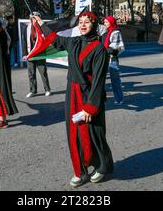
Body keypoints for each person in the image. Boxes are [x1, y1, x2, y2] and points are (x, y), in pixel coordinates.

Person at [32, 11, 114, 187]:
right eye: (81, 22)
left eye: (87, 22)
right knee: (74, 133)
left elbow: (99, 81)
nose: (83, 25)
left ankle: (101, 166)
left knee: (95, 134)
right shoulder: (74, 42)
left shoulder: (100, 49)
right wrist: (40, 23)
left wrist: (90, 108)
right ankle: (80, 171)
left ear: (95, 25)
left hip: (90, 97)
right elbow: (55, 39)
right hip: (72, 94)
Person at [23, 15, 51, 98]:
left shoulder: (41, 28)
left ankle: (47, 89)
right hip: (30, 53)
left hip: (40, 54)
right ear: (30, 19)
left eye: (35, 18)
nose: (33, 20)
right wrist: (24, 53)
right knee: (31, 73)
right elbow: (24, 41)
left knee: (43, 72)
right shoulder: (27, 28)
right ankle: (33, 90)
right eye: (32, 18)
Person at [101, 16, 125, 105]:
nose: (105, 24)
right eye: (104, 22)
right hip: (103, 58)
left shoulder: (116, 32)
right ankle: (101, 98)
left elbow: (117, 48)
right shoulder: (105, 32)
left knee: (115, 80)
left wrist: (104, 49)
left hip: (112, 59)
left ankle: (119, 99)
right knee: (100, 79)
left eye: (106, 22)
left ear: (111, 22)